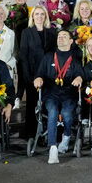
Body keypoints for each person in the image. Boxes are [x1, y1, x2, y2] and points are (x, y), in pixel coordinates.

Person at [33, 29, 83, 164]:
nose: (60, 38)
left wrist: (79, 78)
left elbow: (80, 74)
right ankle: (53, 147)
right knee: (53, 111)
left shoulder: (76, 58)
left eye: (64, 36)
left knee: (67, 113)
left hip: (69, 93)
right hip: (51, 93)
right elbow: (39, 74)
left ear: (71, 41)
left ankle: (66, 137)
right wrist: (37, 79)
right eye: (59, 36)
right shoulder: (48, 56)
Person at [20, 5, 57, 140]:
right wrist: (28, 76)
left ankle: (48, 134)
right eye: (37, 14)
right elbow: (23, 56)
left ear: (46, 17)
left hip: (48, 75)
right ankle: (31, 134)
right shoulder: (26, 32)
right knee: (32, 105)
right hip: (32, 74)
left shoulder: (52, 33)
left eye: (42, 14)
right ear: (32, 17)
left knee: (48, 104)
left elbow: (54, 54)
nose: (39, 17)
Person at [5, 0, 30, 109]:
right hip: (9, 44)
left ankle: (18, 97)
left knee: (21, 73)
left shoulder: (29, 11)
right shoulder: (9, 10)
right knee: (8, 72)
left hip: (21, 46)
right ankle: (8, 97)